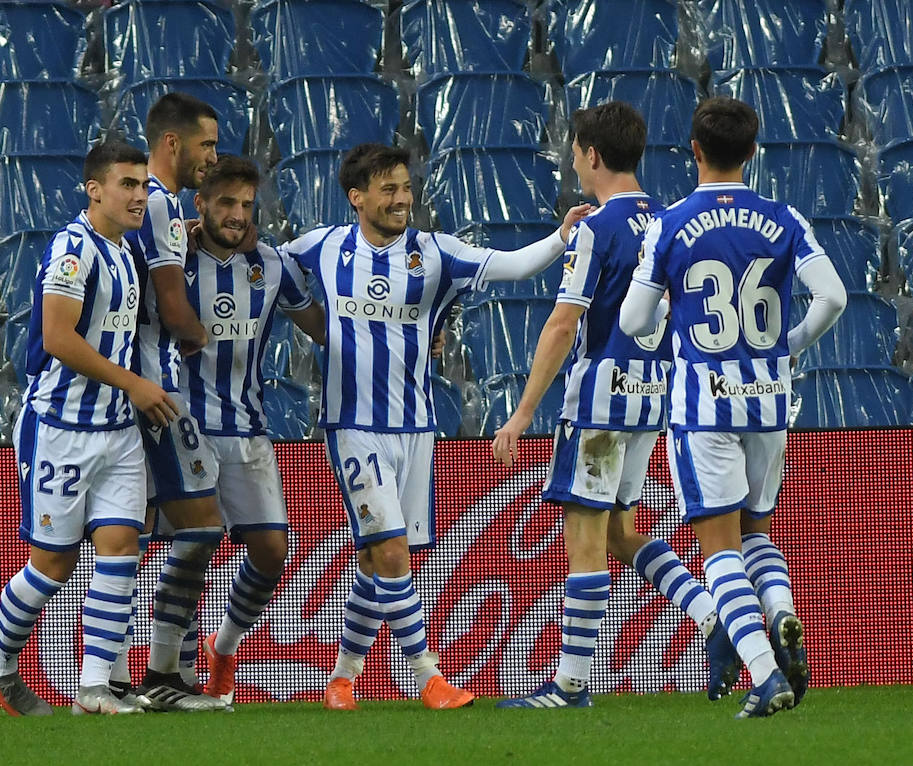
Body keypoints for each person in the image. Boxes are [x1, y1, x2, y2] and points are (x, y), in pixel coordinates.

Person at [284, 142, 592, 710]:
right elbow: (263, 268)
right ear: (357, 198)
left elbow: (512, 265)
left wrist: (561, 236)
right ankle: (427, 676)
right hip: (352, 423)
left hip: (417, 425)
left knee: (378, 557)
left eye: (405, 187)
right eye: (388, 189)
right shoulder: (321, 247)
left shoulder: (435, 253)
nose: (402, 198)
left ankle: (342, 677)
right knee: (392, 550)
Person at [490, 101, 740, 709]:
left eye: (575, 152)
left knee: (586, 537)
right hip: (654, 400)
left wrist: (523, 412)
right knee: (623, 533)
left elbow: (562, 323)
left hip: (601, 406)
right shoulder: (673, 221)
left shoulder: (598, 228)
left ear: (593, 155)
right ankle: (715, 618)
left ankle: (571, 683)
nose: (574, 162)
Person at [619, 97, 846, 718]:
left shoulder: (670, 223)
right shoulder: (784, 217)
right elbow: (833, 296)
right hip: (770, 400)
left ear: (693, 151)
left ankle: (767, 675)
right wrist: (787, 345)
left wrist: (669, 315)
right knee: (757, 530)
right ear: (752, 151)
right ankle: (781, 612)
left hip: (704, 406)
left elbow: (636, 319)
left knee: (717, 546)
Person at [0, 140, 176, 716]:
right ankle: (0, 659)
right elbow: (60, 338)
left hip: (116, 429)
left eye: (143, 185)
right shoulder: (72, 248)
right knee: (53, 564)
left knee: (121, 546)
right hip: (60, 426)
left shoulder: (126, 252)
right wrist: (134, 383)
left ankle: (93, 690)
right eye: (127, 184)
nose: (140, 195)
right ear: (95, 189)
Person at [147, 154, 327, 706]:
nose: (237, 215)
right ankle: (167, 668)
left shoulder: (271, 264)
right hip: (183, 424)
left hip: (248, 428)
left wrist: (411, 337)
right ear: (199, 203)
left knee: (273, 550)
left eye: (247, 205)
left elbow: (323, 326)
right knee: (193, 546)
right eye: (226, 202)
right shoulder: (169, 263)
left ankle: (223, 648)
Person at [121, 92, 231, 712]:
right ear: (173, 143)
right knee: (199, 526)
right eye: (206, 144)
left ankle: (115, 676)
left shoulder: (150, 207)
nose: (211, 158)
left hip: (138, 385)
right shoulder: (159, 203)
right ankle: (160, 676)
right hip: (157, 390)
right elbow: (170, 300)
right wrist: (205, 340)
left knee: (130, 534)